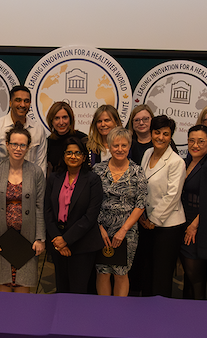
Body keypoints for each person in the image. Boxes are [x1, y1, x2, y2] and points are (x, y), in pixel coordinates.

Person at [0, 126, 46, 292]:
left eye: (22, 145)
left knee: (22, 294)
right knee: (2, 294)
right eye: (14, 144)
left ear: (28, 147)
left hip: (27, 240)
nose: (18, 149)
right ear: (7, 145)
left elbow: (40, 207)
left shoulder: (36, 172)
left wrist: (40, 238)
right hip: (1, 240)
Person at [135, 116, 186, 298]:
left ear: (171, 136)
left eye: (166, 134)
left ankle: (160, 314)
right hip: (146, 222)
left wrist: (154, 220)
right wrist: (142, 216)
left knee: (162, 273)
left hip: (167, 226)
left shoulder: (176, 162)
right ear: (151, 133)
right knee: (147, 269)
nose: (161, 137)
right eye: (157, 132)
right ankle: (146, 309)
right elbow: (142, 184)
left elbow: (172, 196)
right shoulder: (147, 153)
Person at [45, 136, 103, 294]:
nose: (73, 156)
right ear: (63, 155)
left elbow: (90, 216)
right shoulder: (54, 178)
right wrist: (58, 238)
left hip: (83, 244)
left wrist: (66, 240)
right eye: (69, 152)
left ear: (84, 157)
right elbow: (48, 211)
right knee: (62, 288)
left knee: (79, 291)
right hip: (58, 241)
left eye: (77, 153)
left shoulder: (93, 180)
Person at [94, 128, 148, 297]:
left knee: (121, 273)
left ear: (129, 146)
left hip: (127, 232)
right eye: (115, 145)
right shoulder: (97, 170)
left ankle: (118, 314)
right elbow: (90, 202)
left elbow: (141, 204)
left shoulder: (137, 172)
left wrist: (123, 230)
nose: (119, 149)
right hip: (101, 230)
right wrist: (98, 228)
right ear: (109, 146)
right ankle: (104, 312)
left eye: (124, 145)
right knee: (103, 272)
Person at [178, 125, 207, 299]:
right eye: (191, 141)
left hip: (197, 227)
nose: (195, 145)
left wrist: (194, 225)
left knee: (196, 276)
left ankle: (199, 314)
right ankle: (186, 312)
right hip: (183, 220)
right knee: (188, 276)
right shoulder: (187, 163)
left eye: (201, 141)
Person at [0, 85, 47, 170]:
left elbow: (41, 166)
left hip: (31, 181)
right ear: (10, 103)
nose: (22, 105)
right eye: (18, 100)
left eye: (26, 101)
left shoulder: (38, 129)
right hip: (2, 181)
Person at [44, 100, 88, 173]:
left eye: (64, 117)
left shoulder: (82, 139)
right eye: (57, 118)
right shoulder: (48, 142)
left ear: (70, 119)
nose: (61, 122)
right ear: (51, 121)